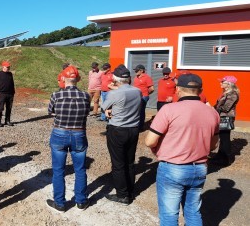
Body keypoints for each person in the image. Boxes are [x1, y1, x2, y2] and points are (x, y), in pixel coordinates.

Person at [145, 73, 219, 226]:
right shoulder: (213, 113)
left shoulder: (168, 110)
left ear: (178, 89)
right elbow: (212, 146)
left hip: (173, 167)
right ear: (200, 90)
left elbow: (150, 141)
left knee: (169, 214)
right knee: (193, 212)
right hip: (199, 168)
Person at [47, 65, 90, 212]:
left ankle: (59, 203)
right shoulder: (86, 96)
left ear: (63, 78)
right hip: (79, 134)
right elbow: (87, 112)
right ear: (77, 79)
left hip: (60, 132)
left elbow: (50, 111)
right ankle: (81, 201)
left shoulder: (56, 95)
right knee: (80, 169)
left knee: (58, 170)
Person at [101, 64, 142, 205]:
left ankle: (122, 195)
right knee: (129, 162)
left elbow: (104, 106)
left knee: (118, 164)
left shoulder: (115, 93)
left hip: (118, 129)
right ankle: (130, 190)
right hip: (133, 129)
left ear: (115, 78)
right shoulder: (137, 91)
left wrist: (108, 109)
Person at [211, 75, 240, 166]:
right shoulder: (225, 93)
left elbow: (226, 108)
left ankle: (226, 159)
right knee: (222, 138)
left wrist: (214, 109)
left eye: (222, 82)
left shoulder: (232, 94)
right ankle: (220, 156)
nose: (220, 83)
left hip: (226, 118)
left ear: (229, 84)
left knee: (225, 138)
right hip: (222, 117)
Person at [0, 61, 15, 127]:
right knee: (0, 108)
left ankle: (7, 121)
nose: (8, 68)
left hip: (10, 94)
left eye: (9, 67)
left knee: (9, 108)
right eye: (7, 67)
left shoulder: (10, 74)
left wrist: (13, 92)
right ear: (3, 66)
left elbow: (12, 83)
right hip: (1, 94)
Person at [133, 64, 154, 130]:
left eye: (136, 70)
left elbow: (152, 88)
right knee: (136, 111)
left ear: (141, 70)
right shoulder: (136, 77)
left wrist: (146, 94)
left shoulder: (147, 77)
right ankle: (136, 124)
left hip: (143, 97)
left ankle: (140, 126)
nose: (135, 72)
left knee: (141, 111)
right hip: (136, 97)